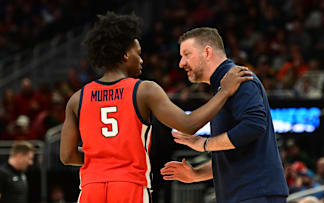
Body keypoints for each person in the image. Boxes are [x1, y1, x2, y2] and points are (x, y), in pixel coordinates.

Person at [59, 12, 253, 203]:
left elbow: (67, 156)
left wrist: (102, 160)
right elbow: (188, 123)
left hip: (90, 188)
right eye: (139, 53)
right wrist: (224, 92)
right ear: (125, 55)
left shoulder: (77, 99)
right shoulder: (144, 90)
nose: (142, 60)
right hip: (129, 186)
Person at [160, 27, 289, 202]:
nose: (181, 63)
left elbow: (254, 126)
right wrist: (196, 174)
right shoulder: (223, 87)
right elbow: (234, 154)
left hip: (255, 193)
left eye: (186, 54)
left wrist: (204, 144)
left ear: (207, 52)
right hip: (244, 193)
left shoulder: (239, 78)